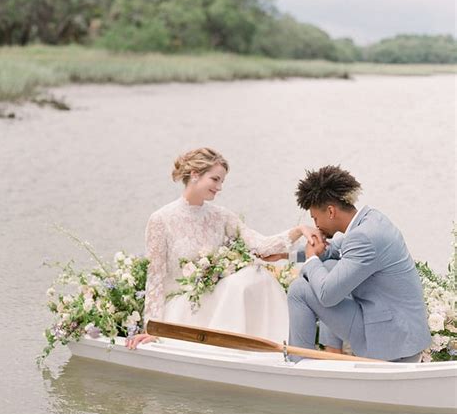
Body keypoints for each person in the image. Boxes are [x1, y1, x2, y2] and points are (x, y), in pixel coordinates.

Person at [126, 147, 318, 349]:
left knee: (256, 275)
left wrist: (299, 230)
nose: (219, 187)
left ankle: (278, 347)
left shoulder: (222, 216)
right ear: (194, 175)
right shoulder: (161, 219)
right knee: (238, 285)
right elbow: (155, 277)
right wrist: (152, 329)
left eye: (222, 181)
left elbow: (262, 246)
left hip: (217, 299)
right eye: (215, 179)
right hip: (183, 306)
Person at [286, 165, 431, 362]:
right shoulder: (370, 220)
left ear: (330, 211)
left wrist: (311, 260)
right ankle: (309, 357)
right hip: (395, 328)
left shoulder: (364, 237)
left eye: (315, 217)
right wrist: (285, 256)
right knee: (327, 267)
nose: (316, 225)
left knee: (300, 290)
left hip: (392, 340)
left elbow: (327, 295)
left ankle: (299, 365)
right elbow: (331, 249)